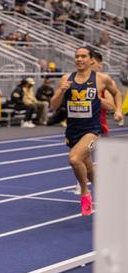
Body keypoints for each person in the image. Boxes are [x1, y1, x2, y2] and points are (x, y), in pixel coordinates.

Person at [50, 46, 121, 216]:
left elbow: (117, 92)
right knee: (88, 169)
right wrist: (61, 90)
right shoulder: (67, 78)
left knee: (74, 159)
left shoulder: (101, 79)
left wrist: (118, 110)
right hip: (73, 131)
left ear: (91, 60)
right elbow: (53, 106)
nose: (79, 59)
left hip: (92, 130)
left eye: (83, 56)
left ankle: (85, 193)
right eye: (77, 56)